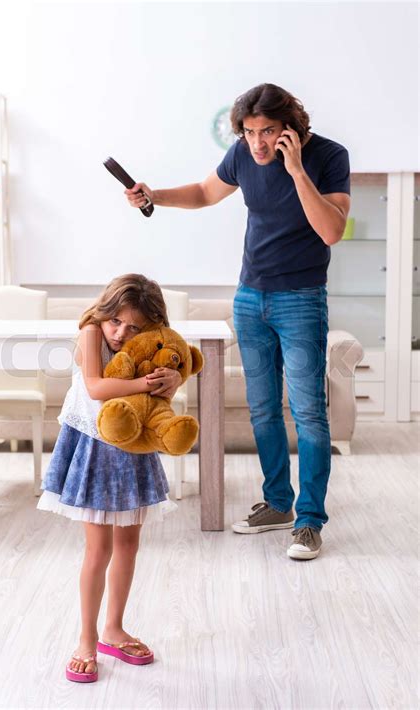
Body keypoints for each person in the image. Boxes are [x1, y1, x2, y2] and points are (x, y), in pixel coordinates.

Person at [125, 83, 350, 561]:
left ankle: (310, 522)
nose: (257, 144)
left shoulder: (329, 156)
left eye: (268, 132)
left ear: (291, 128)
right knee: (263, 409)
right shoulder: (243, 155)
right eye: (249, 133)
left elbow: (331, 230)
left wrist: (294, 171)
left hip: (301, 300)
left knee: (308, 411)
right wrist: (154, 196)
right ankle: (277, 504)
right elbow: (206, 192)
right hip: (250, 299)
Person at [37, 274, 182, 682]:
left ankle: (113, 629)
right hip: (93, 445)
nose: (121, 333)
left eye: (134, 327)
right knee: (97, 550)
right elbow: (97, 386)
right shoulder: (89, 332)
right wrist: (145, 383)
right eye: (116, 321)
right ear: (104, 314)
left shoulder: (150, 341)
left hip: (132, 446)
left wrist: (173, 378)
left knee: (129, 544)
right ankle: (86, 638)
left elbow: (170, 370)